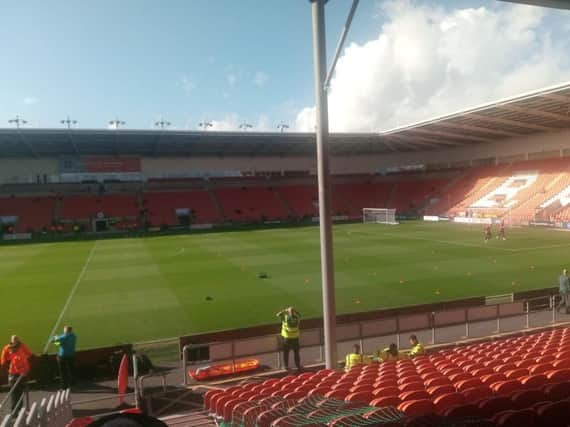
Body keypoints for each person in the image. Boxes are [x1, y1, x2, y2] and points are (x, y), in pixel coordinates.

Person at [1, 335, 32, 414]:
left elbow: (29, 354)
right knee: (15, 394)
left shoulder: (20, 347)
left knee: (19, 393)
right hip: (15, 375)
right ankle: (15, 412)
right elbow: (3, 361)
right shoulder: (8, 349)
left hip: (20, 375)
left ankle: (19, 411)